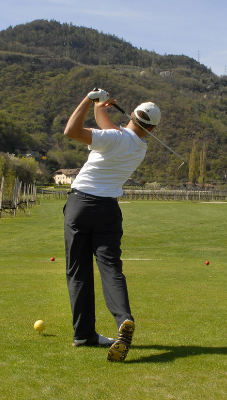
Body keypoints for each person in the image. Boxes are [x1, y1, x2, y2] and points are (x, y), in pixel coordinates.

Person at [62, 88, 160, 362]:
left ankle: (83, 334)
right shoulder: (140, 147)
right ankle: (123, 319)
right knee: (111, 269)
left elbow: (71, 130)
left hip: (80, 206)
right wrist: (100, 107)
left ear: (131, 116)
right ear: (151, 127)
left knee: (78, 271)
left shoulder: (114, 137)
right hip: (108, 211)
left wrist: (88, 99)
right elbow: (112, 130)